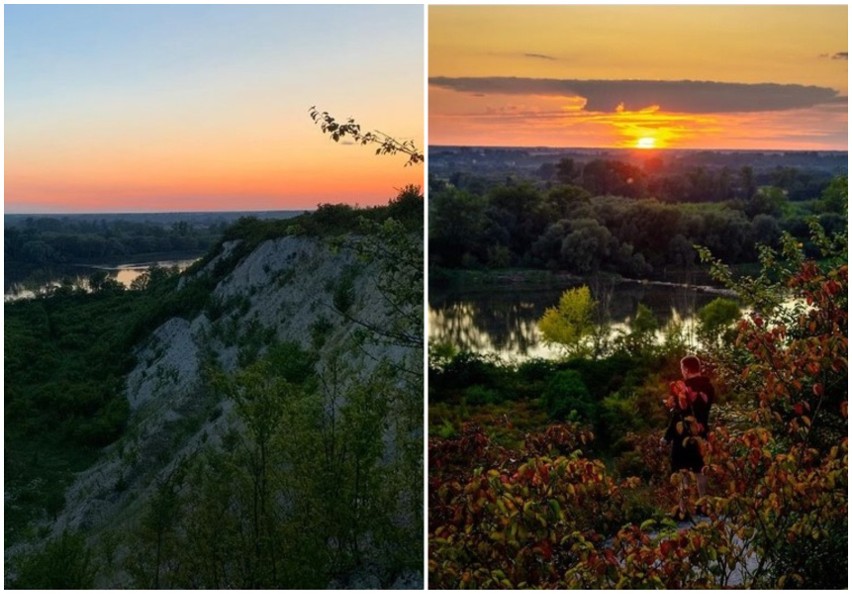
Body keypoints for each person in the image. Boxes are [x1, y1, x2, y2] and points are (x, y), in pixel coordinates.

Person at [660, 355, 715, 520]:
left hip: (682, 435)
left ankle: (683, 510)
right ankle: (703, 505)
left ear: (685, 369)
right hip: (701, 432)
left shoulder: (681, 388)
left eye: (681, 368)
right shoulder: (709, 387)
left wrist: (666, 437)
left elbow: (678, 416)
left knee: (682, 470)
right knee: (700, 470)